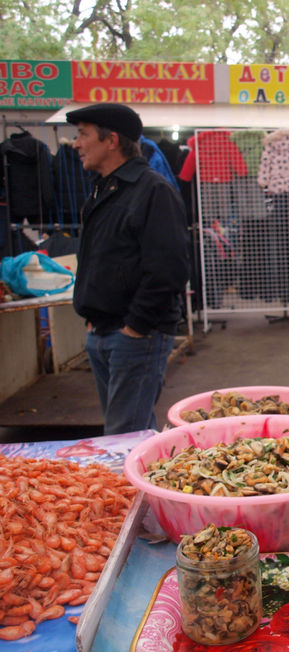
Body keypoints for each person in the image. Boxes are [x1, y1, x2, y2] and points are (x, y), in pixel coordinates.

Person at [66, 103, 190, 434]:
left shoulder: (152, 190)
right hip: (104, 331)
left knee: (125, 437)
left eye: (82, 134)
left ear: (111, 140)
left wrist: (135, 327)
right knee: (122, 433)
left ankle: (135, 488)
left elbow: (170, 269)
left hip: (136, 336)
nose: (75, 143)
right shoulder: (104, 188)